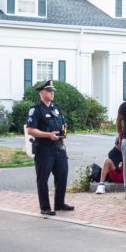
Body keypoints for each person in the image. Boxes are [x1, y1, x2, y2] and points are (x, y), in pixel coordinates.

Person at [26, 80, 74, 216]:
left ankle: (59, 203)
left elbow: (64, 124)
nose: (52, 93)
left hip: (59, 148)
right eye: (49, 91)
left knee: (62, 176)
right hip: (44, 149)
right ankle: (45, 207)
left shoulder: (56, 108)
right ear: (41, 93)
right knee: (43, 179)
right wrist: (48, 135)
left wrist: (63, 137)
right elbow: (30, 130)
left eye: (52, 91)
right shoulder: (36, 110)